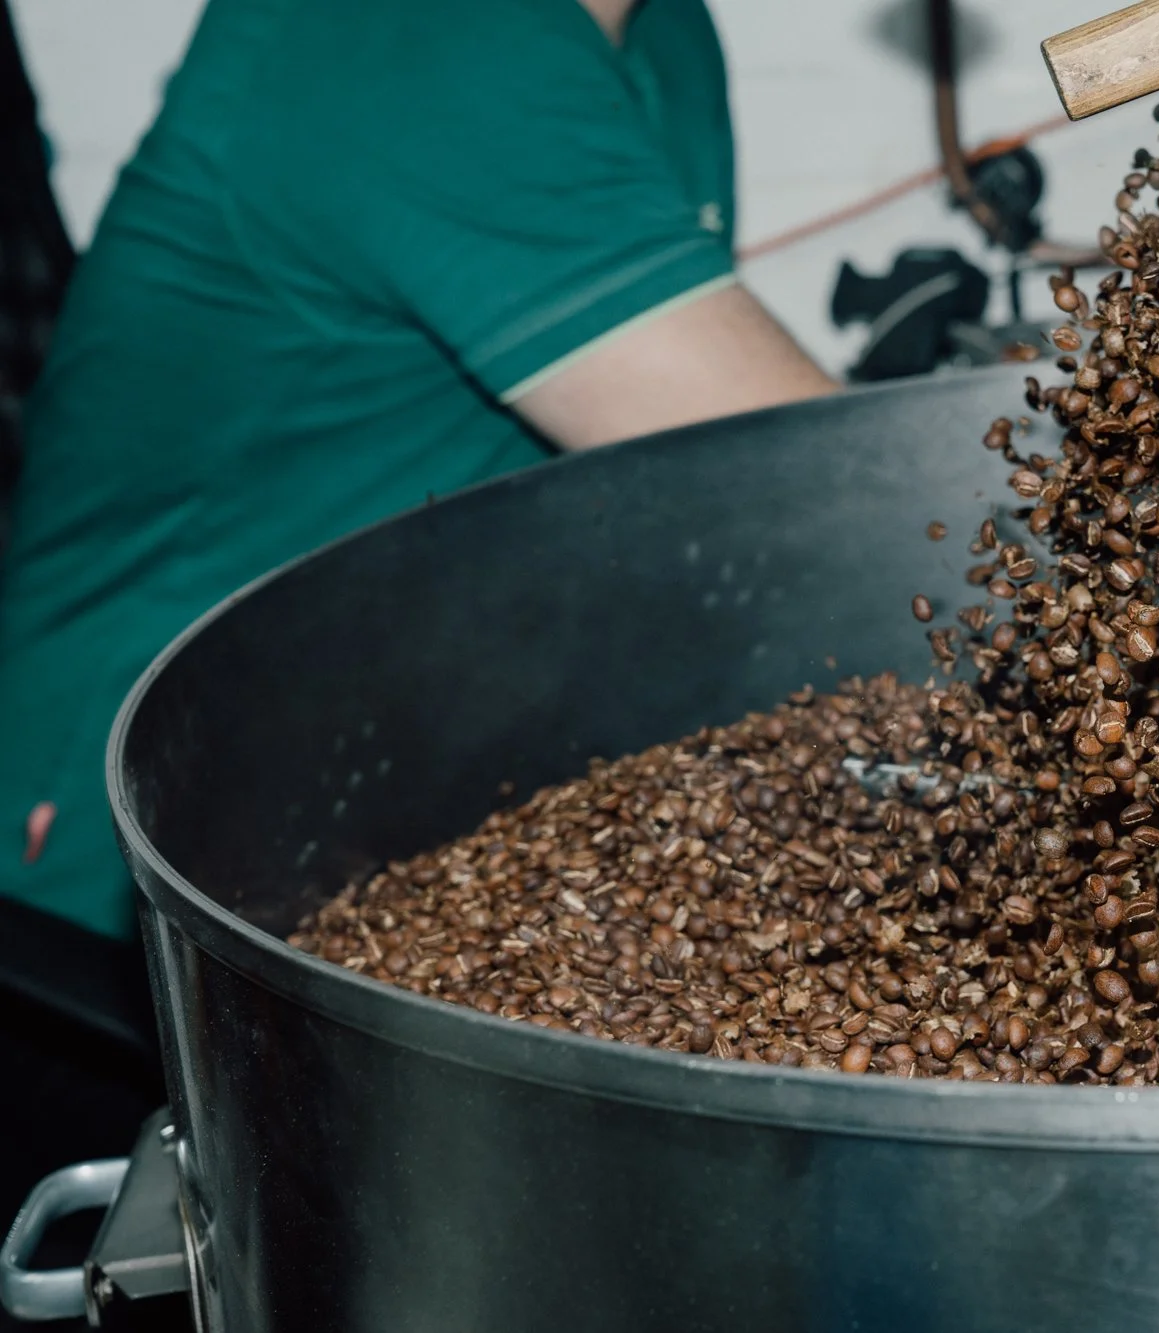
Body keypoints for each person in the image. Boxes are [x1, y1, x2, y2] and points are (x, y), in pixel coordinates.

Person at [0, 0, 838, 940]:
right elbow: (812, 494)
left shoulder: (662, 28)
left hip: (419, 800)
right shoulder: (411, 25)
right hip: (145, 872)